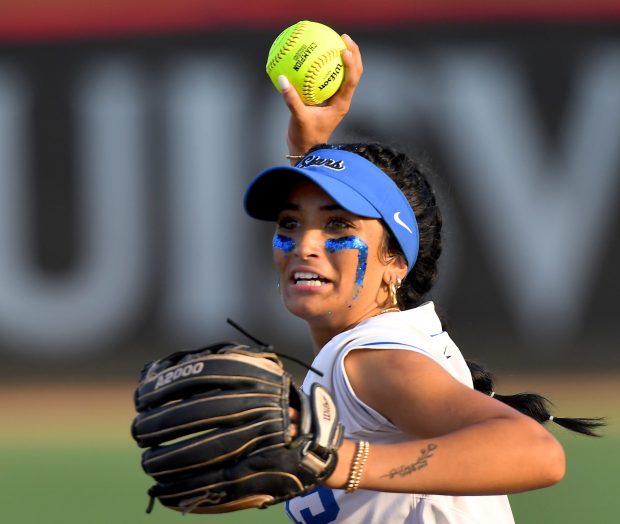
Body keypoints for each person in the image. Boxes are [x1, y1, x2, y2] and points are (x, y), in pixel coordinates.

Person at [243, 34, 603, 524]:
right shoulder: (387, 338)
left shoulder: (370, 360)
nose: (303, 244)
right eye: (289, 223)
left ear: (396, 262)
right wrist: (310, 150)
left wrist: (342, 462)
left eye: (338, 226)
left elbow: (538, 452)